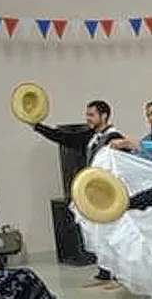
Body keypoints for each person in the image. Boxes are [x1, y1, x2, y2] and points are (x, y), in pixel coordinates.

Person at [31, 100, 124, 288]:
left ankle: (119, 274)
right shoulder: (92, 136)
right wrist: (37, 127)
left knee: (112, 233)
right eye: (87, 115)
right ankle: (105, 271)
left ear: (103, 116)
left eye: (91, 115)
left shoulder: (114, 137)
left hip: (108, 193)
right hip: (94, 193)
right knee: (97, 233)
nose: (87, 118)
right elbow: (64, 138)